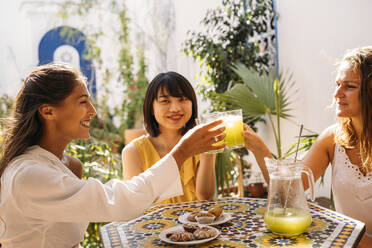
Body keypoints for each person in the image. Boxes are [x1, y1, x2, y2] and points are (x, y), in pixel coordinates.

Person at [0, 63, 226, 248]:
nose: (93, 110)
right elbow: (119, 201)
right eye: (82, 101)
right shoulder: (28, 175)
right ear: (48, 111)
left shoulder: (63, 165)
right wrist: (182, 152)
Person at [242, 46, 372, 247]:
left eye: (350, 86)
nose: (337, 93)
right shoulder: (332, 138)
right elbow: (289, 194)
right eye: (337, 84)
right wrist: (260, 150)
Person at [122, 72, 220, 204]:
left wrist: (209, 153)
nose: (175, 108)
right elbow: (134, 204)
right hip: (153, 224)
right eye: (165, 101)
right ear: (151, 108)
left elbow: (206, 198)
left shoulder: (199, 143)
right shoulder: (133, 152)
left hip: (195, 223)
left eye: (182, 99)